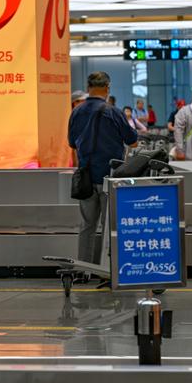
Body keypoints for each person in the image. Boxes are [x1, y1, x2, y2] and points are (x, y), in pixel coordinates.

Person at [68, 72, 138, 271]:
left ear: (88, 88)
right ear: (107, 88)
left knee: (87, 226)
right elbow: (132, 140)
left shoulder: (76, 112)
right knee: (110, 227)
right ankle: (111, 270)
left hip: (86, 178)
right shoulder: (114, 112)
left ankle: (83, 270)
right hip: (110, 177)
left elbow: (72, 143)